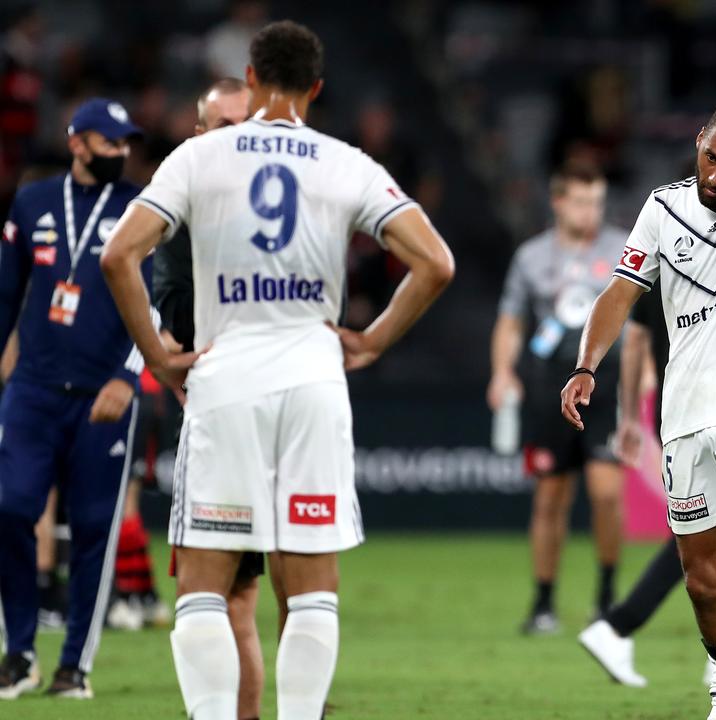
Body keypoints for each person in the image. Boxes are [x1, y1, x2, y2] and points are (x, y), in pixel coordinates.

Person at [101, 20, 456, 719]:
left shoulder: (198, 158)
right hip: (315, 380)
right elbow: (436, 263)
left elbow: (119, 257)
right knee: (313, 588)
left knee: (204, 587)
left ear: (252, 78)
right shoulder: (344, 161)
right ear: (317, 88)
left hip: (226, 378)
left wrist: (159, 355)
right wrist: (375, 338)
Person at [563, 91, 716, 720]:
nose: (715, 174)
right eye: (709, 156)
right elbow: (620, 292)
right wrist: (585, 365)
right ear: (699, 138)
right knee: (701, 579)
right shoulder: (662, 207)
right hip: (683, 412)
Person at [0, 97, 148, 700]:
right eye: (110, 142)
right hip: (33, 389)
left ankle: (74, 667)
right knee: (10, 509)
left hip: (103, 394)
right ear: (78, 142)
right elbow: (5, 294)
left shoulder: (141, 208)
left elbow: (160, 297)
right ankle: (19, 653)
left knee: (93, 528)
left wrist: (129, 376)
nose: (122, 152)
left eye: (125, 143)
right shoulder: (32, 202)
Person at [578, 278, 716, 689]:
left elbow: (636, 338)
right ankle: (621, 625)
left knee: (712, 539)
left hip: (676, 407)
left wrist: (633, 415)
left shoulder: (665, 253)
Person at [150, 76, 281, 720]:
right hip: (237, 402)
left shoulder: (285, 205)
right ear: (199, 136)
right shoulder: (185, 212)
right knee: (235, 604)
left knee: (221, 599)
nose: (238, 138)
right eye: (224, 127)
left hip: (244, 417)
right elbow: (172, 306)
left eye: (246, 125)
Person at [489, 165, 628, 634]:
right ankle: (544, 602)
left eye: (598, 202)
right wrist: (502, 371)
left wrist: (644, 370)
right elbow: (511, 320)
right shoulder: (531, 257)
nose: (592, 212)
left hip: (606, 384)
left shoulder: (622, 248)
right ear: (559, 202)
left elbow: (645, 315)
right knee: (550, 498)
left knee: (606, 494)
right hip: (550, 385)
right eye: (582, 201)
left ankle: (607, 599)